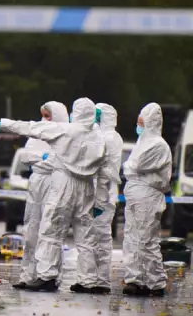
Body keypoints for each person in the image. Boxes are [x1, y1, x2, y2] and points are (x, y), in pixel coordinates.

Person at [0, 98, 104, 292]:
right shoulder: (97, 136)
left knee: (51, 230)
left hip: (65, 183)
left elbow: (31, 128)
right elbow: (106, 167)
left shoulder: (65, 130)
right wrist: (102, 198)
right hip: (86, 187)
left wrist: (4, 125)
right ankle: (88, 280)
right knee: (85, 234)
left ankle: (47, 276)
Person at [12, 101, 69, 290]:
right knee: (31, 231)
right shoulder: (36, 135)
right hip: (36, 184)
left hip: (54, 183)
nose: (45, 119)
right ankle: (28, 275)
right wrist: (42, 159)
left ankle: (49, 275)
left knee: (50, 230)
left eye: (48, 115)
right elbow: (25, 157)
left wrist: (41, 160)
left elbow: (59, 162)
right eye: (44, 115)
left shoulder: (65, 135)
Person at [122, 103, 172, 297]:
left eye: (141, 121)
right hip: (136, 195)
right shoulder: (141, 143)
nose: (138, 124)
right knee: (132, 238)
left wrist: (130, 167)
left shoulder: (158, 145)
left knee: (146, 239)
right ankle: (136, 280)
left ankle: (156, 282)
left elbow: (137, 165)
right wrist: (131, 167)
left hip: (148, 197)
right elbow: (130, 168)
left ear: (151, 122)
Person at [74, 103, 123, 294]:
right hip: (97, 195)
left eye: (98, 114)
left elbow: (105, 172)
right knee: (91, 238)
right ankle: (91, 278)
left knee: (101, 238)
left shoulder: (109, 137)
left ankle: (100, 281)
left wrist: (100, 201)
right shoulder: (103, 135)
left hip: (103, 197)